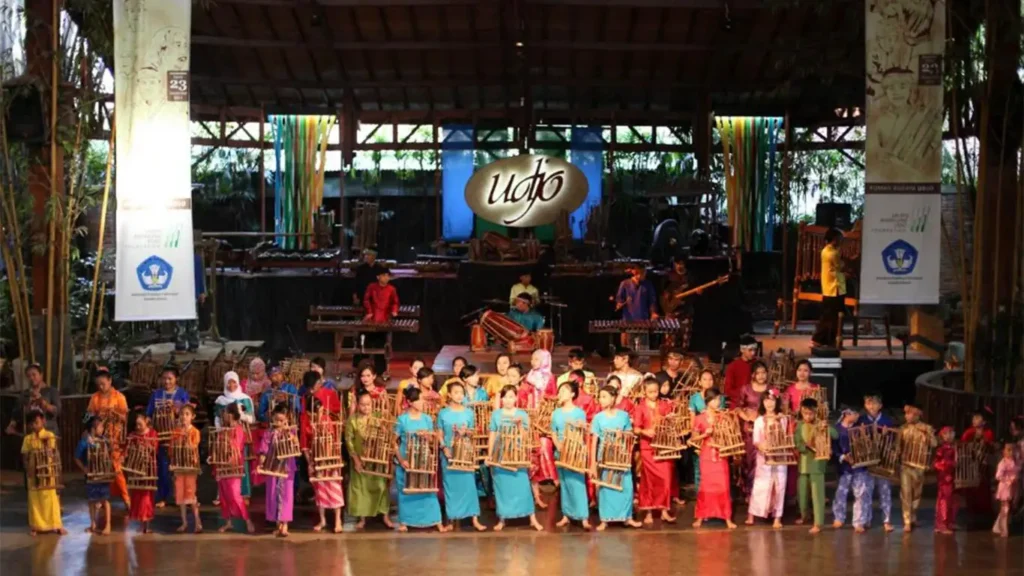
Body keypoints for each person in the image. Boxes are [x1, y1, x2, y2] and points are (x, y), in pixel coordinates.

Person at [489, 385, 544, 531]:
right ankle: (502, 518)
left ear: (516, 398)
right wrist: (490, 455)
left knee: (523, 487)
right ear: (501, 399)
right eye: (505, 397)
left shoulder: (522, 414)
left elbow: (526, 436)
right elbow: (493, 434)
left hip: (517, 454)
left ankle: (532, 518)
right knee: (502, 488)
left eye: (511, 396)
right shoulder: (496, 414)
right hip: (500, 453)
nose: (508, 400)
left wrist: (519, 425)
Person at [394, 387, 446, 532]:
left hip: (423, 459)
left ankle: (435, 520)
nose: (423, 402)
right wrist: (401, 459)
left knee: (427, 489)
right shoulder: (402, 419)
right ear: (410, 402)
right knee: (406, 490)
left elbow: (431, 439)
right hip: (406, 459)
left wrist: (427, 436)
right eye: (420, 399)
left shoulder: (427, 418)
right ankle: (405, 521)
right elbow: (393, 442)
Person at [299, 370, 345, 534]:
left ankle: (338, 520)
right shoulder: (307, 419)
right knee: (320, 489)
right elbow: (305, 441)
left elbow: (333, 437)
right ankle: (323, 519)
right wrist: (309, 460)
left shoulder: (327, 420)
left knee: (334, 486)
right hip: (316, 458)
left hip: (329, 457)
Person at [437, 382, 486, 531]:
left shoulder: (469, 412)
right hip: (449, 453)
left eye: (461, 392)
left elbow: (473, 432)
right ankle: (451, 519)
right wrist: (444, 447)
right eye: (456, 392)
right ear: (449, 395)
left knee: (469, 485)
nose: (459, 395)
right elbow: (439, 433)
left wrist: (466, 432)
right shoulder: (443, 413)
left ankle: (474, 518)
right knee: (450, 486)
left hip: (465, 452)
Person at [345, 390, 394, 530]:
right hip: (360, 458)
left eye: (368, 404)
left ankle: (385, 515)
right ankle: (362, 518)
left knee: (380, 486)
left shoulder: (378, 417)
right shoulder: (352, 420)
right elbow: (349, 441)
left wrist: (385, 425)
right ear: (358, 405)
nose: (366, 407)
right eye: (362, 405)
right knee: (360, 489)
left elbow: (390, 429)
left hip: (377, 458)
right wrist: (356, 460)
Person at [691, 387, 736, 530]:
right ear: (708, 400)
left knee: (723, 484)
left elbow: (730, 435)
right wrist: (705, 434)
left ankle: (726, 517)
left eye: (718, 399)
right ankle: (701, 515)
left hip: (721, 454)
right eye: (714, 399)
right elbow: (693, 438)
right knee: (706, 485)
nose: (717, 402)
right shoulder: (700, 418)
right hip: (706, 454)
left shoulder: (723, 416)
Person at [146, 365, 190, 508]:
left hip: (178, 436)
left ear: (176, 379)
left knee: (180, 468)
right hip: (161, 437)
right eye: (164, 378)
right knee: (163, 469)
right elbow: (149, 414)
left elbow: (188, 413)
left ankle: (182, 496)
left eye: (170, 379)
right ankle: (163, 497)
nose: (167, 382)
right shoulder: (156, 394)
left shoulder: (182, 393)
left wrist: (177, 408)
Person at [634, 377, 676, 525]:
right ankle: (649, 511)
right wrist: (646, 432)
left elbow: (670, 421)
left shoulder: (664, 405)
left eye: (656, 391)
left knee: (666, 479)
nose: (654, 394)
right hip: (648, 448)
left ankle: (664, 510)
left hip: (663, 446)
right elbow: (636, 428)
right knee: (649, 480)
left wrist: (670, 418)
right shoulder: (640, 407)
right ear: (644, 392)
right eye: (650, 392)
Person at [210, 401, 256, 534]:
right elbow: (216, 446)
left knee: (235, 495)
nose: (224, 416)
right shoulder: (223, 431)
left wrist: (227, 457)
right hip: (221, 466)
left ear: (233, 415)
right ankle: (228, 522)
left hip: (234, 466)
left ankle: (247, 520)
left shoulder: (239, 430)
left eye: (226, 413)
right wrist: (213, 457)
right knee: (224, 495)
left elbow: (237, 447)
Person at [87, 367, 130, 508]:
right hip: (100, 438)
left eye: (103, 383)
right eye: (98, 384)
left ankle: (126, 497)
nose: (101, 386)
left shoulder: (119, 397)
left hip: (115, 438)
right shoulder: (95, 398)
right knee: (100, 467)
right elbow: (88, 417)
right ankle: (101, 498)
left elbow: (125, 418)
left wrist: (114, 414)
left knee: (116, 469)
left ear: (110, 381)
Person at [520, 349, 558, 508]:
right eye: (532, 358)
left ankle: (553, 480)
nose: (533, 362)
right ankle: (535, 496)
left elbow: (554, 397)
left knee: (545, 447)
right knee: (531, 454)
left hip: (544, 421)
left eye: (536, 359)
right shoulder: (527, 378)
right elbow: (521, 398)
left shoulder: (550, 378)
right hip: (529, 420)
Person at [550, 381, 590, 530]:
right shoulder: (556, 413)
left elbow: (583, 433)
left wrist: (581, 429)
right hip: (561, 450)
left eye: (564, 391)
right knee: (565, 484)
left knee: (578, 484)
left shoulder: (579, 412)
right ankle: (566, 515)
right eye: (560, 391)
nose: (561, 393)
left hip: (575, 451)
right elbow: (553, 432)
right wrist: (558, 444)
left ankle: (583, 517)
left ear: (573, 394)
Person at [747, 389, 788, 528]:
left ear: (776, 402)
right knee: (760, 485)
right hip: (763, 456)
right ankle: (752, 513)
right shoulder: (759, 420)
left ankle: (778, 517)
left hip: (780, 456)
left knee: (780, 485)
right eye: (766, 400)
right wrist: (761, 446)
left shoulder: (782, 419)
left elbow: (785, 437)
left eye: (772, 400)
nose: (769, 403)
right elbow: (756, 440)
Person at [795, 397, 837, 534]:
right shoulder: (799, 425)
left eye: (810, 413)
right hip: (803, 465)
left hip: (817, 464)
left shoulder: (821, 424)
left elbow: (835, 435)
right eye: (804, 413)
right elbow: (797, 442)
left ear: (815, 412)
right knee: (802, 494)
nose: (807, 416)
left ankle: (818, 523)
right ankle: (804, 515)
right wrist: (803, 446)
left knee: (817, 495)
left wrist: (827, 427)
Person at [21, 410, 65, 536]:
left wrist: (44, 446)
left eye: (37, 422)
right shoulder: (28, 439)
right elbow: (24, 455)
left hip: (47, 471)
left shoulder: (49, 435)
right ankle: (36, 526)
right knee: (34, 500)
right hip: (33, 471)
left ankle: (57, 525)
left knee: (51, 498)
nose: (34, 426)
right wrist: (28, 467)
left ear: (43, 421)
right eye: (32, 424)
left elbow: (52, 452)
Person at [215, 371, 255, 505]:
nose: (231, 385)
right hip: (225, 436)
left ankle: (244, 493)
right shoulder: (221, 400)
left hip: (240, 435)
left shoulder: (245, 399)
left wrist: (241, 415)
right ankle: (224, 494)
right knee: (224, 462)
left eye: (234, 382)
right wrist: (220, 430)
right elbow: (216, 418)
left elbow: (251, 418)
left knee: (241, 462)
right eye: (229, 382)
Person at [260, 406, 298, 537]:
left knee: (287, 495)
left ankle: (285, 524)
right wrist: (261, 462)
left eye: (282, 420)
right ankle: (278, 524)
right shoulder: (269, 432)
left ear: (287, 420)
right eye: (277, 420)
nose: (280, 423)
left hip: (287, 467)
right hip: (273, 466)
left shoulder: (291, 431)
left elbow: (296, 444)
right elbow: (264, 449)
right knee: (273, 494)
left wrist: (288, 433)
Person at [898, 403, 936, 532]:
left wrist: (928, 433)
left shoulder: (926, 428)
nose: (907, 416)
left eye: (910, 414)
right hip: (905, 465)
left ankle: (913, 515)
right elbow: (897, 448)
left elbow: (934, 444)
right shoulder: (902, 429)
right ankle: (907, 520)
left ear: (917, 414)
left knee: (917, 493)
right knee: (906, 493)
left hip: (919, 465)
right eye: (906, 414)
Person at [832, 408, 870, 532]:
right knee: (841, 493)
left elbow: (867, 445)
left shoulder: (861, 428)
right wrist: (843, 457)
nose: (857, 415)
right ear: (847, 414)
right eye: (855, 413)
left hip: (859, 466)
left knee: (860, 494)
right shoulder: (836, 429)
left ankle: (859, 521)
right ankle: (839, 517)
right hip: (844, 467)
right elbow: (833, 448)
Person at [737, 361, 770, 500]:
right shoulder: (746, 389)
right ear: (753, 375)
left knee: (763, 459)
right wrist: (746, 416)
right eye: (758, 373)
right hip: (749, 428)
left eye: (764, 372)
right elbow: (738, 407)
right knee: (749, 459)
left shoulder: (771, 390)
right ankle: (749, 491)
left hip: (766, 427)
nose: (761, 376)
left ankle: (763, 491)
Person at [75, 416, 112, 535]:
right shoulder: (84, 442)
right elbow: (77, 458)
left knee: (105, 500)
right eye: (100, 427)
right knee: (91, 500)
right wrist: (84, 469)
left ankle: (108, 525)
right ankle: (93, 524)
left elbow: (110, 452)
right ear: (93, 428)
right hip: (91, 475)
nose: (102, 429)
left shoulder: (105, 440)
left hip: (103, 475)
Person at [6, 363, 61, 436]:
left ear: (41, 375)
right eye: (29, 376)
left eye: (34, 375)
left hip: (49, 433)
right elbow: (15, 415)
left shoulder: (51, 391)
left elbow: (57, 411)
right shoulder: (24, 394)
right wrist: (12, 425)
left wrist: (43, 402)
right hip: (30, 435)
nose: (31, 378)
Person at [812, 227, 846, 347]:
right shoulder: (832, 253)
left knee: (831, 316)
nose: (842, 241)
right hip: (834, 288)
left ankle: (830, 340)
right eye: (840, 238)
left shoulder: (827, 250)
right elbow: (841, 266)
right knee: (831, 317)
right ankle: (821, 339)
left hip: (831, 288)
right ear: (835, 239)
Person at [960, 409, 996, 522]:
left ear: (984, 421)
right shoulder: (969, 432)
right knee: (971, 488)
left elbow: (989, 446)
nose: (974, 420)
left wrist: (983, 439)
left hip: (983, 465)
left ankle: (984, 510)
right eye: (973, 418)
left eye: (977, 418)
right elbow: (963, 443)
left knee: (983, 487)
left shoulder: (988, 433)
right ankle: (971, 509)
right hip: (970, 464)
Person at [688, 369, 719, 492]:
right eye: (704, 379)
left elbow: (720, 416)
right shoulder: (694, 398)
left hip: (715, 434)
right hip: (700, 432)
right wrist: (694, 436)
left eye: (710, 379)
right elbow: (692, 418)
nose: (708, 382)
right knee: (698, 466)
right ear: (699, 382)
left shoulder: (718, 397)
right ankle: (700, 493)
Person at [173, 404, 202, 534]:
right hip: (179, 466)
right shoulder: (176, 431)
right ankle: (184, 522)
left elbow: (193, 446)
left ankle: (197, 522)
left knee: (191, 494)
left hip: (190, 466)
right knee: (180, 495)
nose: (184, 417)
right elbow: (172, 449)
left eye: (187, 414)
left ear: (192, 417)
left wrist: (184, 437)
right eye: (182, 414)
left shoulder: (195, 431)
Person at [127, 412, 158, 534]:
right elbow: (128, 449)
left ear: (146, 421)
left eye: (140, 424)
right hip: (136, 469)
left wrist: (146, 446)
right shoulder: (133, 435)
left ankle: (147, 522)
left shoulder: (152, 433)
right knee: (137, 495)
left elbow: (154, 449)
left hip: (148, 469)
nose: (138, 427)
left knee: (146, 495)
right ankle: (141, 523)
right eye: (137, 425)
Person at [615, 264, 658, 348]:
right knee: (628, 349)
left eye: (645, 272)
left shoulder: (648, 284)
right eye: (642, 273)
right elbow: (619, 299)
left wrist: (653, 313)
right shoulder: (625, 284)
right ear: (635, 272)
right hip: (628, 321)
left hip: (643, 321)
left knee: (643, 349)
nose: (644, 275)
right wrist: (619, 304)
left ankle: (642, 360)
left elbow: (652, 301)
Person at [175, 252, 206, 352]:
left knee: (186, 321)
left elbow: (199, 275)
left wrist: (201, 291)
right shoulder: (195, 258)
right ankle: (189, 345)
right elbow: (200, 276)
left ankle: (185, 345)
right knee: (187, 320)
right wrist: (201, 291)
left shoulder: (194, 258)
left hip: (186, 293)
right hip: (187, 292)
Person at [932, 425, 957, 535]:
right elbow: (936, 464)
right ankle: (942, 524)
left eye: (951, 433)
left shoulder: (953, 447)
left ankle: (948, 522)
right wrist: (948, 465)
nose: (949, 436)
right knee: (944, 501)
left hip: (951, 477)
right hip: (945, 477)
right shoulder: (941, 449)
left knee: (951, 500)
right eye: (946, 434)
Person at [993, 442, 1019, 538]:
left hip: (1011, 486)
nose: (1011, 452)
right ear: (1004, 451)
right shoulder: (1003, 463)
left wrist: (1014, 478)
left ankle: (998, 527)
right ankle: (1003, 529)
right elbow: (998, 476)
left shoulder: (1013, 461)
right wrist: (1008, 480)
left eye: (1012, 450)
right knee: (1005, 508)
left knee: (1006, 509)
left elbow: (1016, 470)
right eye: (1008, 450)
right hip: (1005, 487)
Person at [724, 336, 757, 407]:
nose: (753, 353)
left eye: (754, 350)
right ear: (742, 350)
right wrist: (744, 393)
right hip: (738, 405)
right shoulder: (732, 366)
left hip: (755, 403)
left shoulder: (757, 364)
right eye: (750, 350)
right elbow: (728, 390)